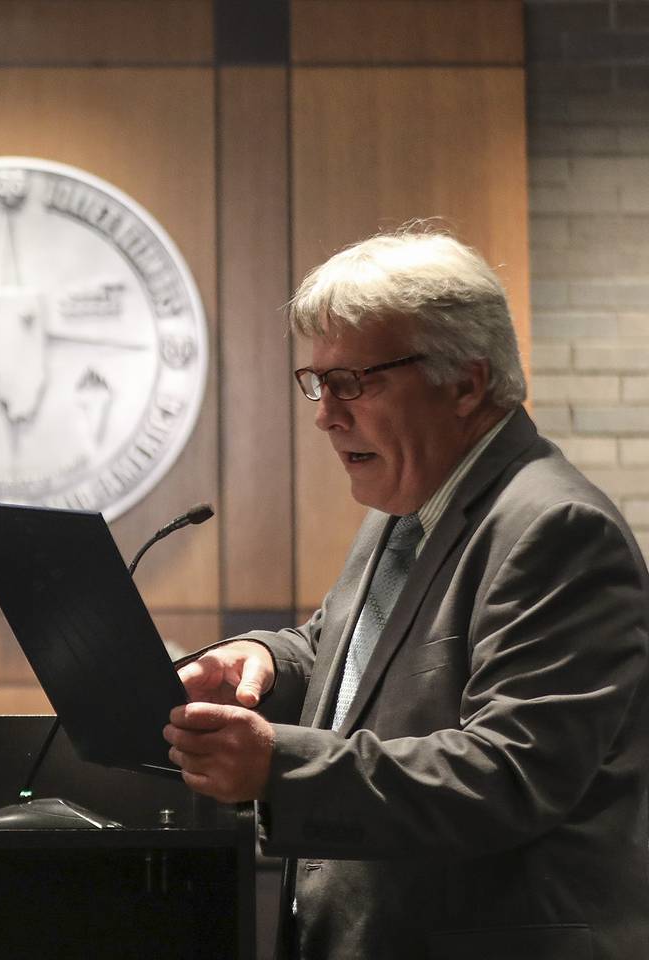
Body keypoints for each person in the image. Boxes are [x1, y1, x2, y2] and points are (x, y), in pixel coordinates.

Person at [164, 227, 649, 959]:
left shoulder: (557, 529)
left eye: (354, 382)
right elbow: (342, 651)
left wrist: (280, 768)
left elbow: (508, 774)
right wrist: (259, 656)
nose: (327, 413)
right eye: (318, 383)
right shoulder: (409, 507)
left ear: (466, 382)